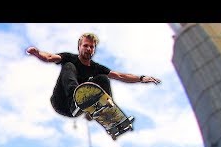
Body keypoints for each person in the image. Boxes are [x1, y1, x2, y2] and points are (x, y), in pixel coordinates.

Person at [26, 32, 162, 119]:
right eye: (86, 46)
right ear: (79, 47)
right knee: (68, 66)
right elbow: (50, 57)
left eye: (92, 47)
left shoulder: (96, 68)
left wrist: (141, 78)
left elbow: (120, 76)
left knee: (103, 78)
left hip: (77, 110)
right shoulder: (69, 57)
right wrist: (38, 54)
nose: (89, 49)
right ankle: (75, 100)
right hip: (60, 102)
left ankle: (106, 110)